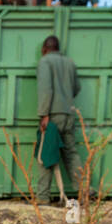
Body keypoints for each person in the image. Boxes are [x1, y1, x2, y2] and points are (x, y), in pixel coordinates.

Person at [36, 36, 82, 204]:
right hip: (69, 113)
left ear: (44, 48)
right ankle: (83, 191)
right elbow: (77, 88)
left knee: (47, 152)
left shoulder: (45, 62)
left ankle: (42, 197)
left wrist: (44, 114)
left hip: (52, 115)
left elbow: (45, 89)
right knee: (71, 153)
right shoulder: (70, 62)